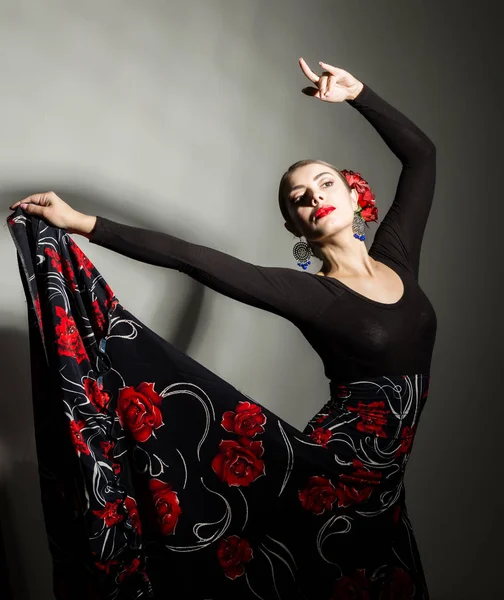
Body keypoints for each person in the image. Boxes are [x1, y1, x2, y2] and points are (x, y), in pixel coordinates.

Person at [9, 57, 436, 599]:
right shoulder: (309, 292)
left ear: (356, 195)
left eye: (325, 183)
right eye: (298, 198)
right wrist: (83, 222)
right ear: (293, 225)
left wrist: (359, 94)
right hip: (339, 469)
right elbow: (196, 260)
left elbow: (422, 157)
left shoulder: (398, 257)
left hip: (387, 482)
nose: (314, 197)